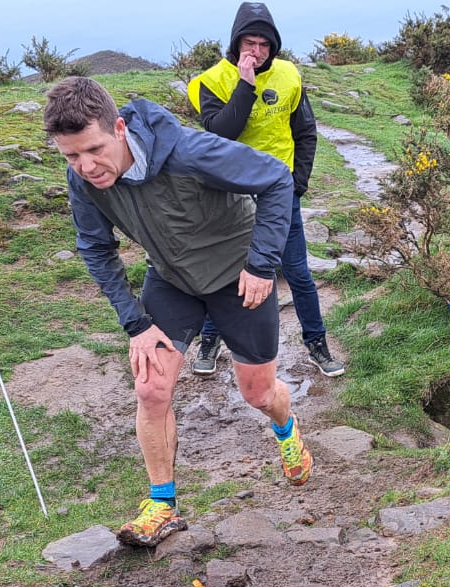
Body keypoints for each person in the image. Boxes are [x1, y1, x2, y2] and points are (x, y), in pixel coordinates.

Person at [44, 76, 313, 547]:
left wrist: (261, 264)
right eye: (71, 156)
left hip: (238, 278)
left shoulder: (189, 152)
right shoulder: (83, 179)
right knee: (150, 387)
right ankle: (162, 505)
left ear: (120, 129)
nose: (86, 166)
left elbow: (275, 178)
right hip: (172, 279)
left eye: (94, 149)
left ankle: (286, 427)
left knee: (258, 393)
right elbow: (95, 247)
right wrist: (136, 323)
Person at [186, 1, 344, 378]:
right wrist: (246, 85)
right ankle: (211, 339)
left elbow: (305, 132)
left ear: (273, 47)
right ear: (235, 43)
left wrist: (297, 184)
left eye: (263, 45)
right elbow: (222, 133)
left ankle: (316, 343)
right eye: (249, 43)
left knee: (298, 273)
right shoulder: (211, 81)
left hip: (280, 193)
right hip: (231, 194)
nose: (256, 52)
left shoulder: (289, 75)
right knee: (226, 272)